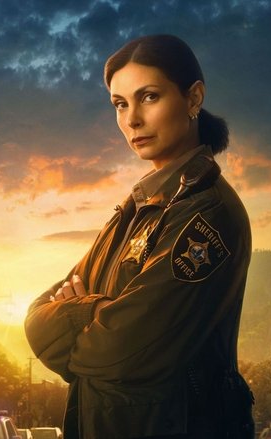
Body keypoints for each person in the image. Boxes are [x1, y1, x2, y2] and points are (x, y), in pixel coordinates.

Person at [25, 34, 253, 439]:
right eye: (120, 104)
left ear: (193, 97)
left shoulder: (208, 213)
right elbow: (36, 321)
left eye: (148, 97)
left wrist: (79, 311)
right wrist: (99, 313)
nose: (131, 120)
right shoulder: (134, 209)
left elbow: (122, 353)